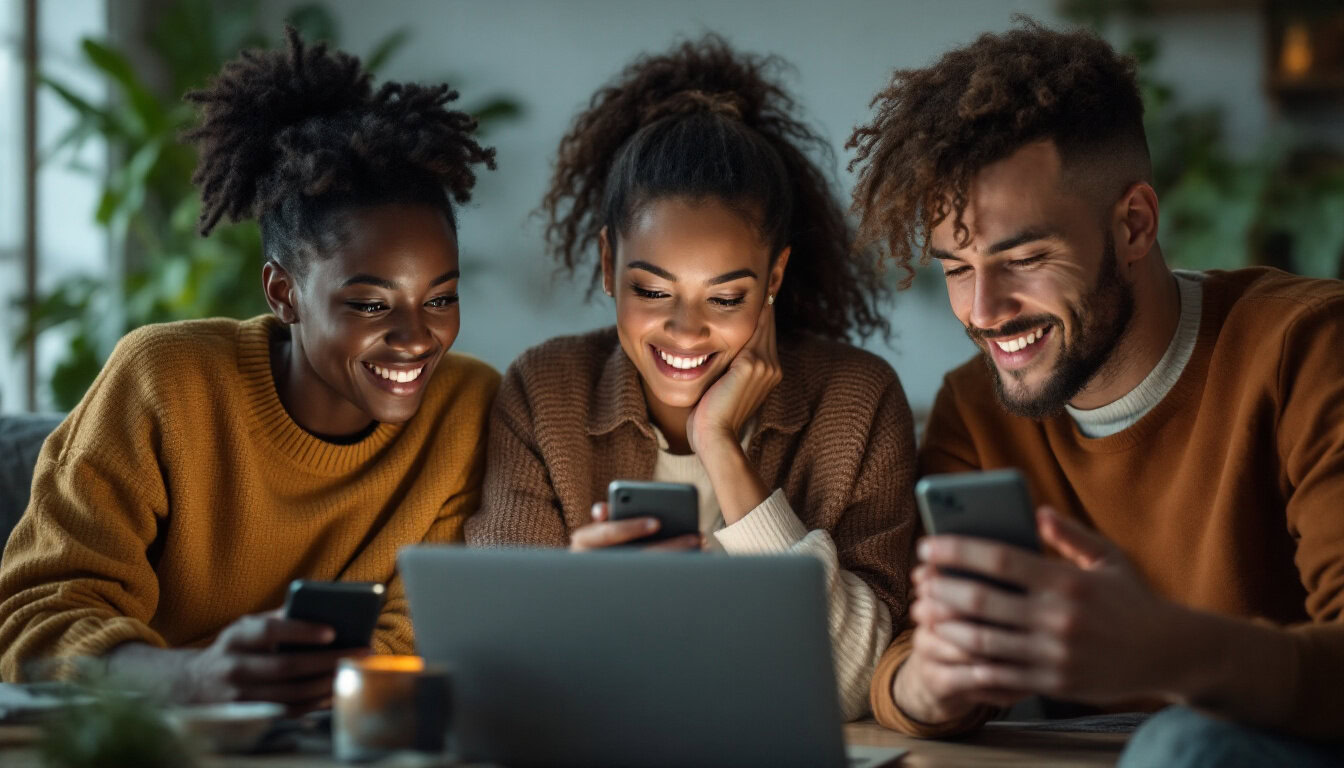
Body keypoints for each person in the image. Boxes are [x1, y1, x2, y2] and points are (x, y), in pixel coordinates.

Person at [848, 19, 1344, 765]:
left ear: (1135, 224)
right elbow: (914, 654)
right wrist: (928, 685)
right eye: (956, 267)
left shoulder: (1307, 348)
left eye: (1024, 257)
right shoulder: (976, 411)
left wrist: (1167, 652)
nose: (982, 312)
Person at [0, 28, 499, 712]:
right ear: (283, 292)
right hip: (153, 738)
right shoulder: (164, 380)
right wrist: (196, 677)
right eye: (369, 303)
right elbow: (36, 622)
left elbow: (425, 633)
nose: (416, 337)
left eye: (440, 298)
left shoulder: (467, 408)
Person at [465, 36, 916, 720]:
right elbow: (494, 666)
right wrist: (575, 598)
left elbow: (858, 685)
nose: (684, 330)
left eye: (726, 298)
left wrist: (723, 449)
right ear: (608, 260)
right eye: (651, 290)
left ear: (775, 279)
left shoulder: (856, 402)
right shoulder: (544, 391)